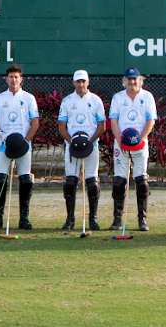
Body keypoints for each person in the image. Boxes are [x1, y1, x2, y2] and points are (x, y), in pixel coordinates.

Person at [0, 64, 40, 230]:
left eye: (16, 77)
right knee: (0, 180)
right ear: (6, 79)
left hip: (23, 147)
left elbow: (35, 122)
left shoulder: (29, 98)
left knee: (25, 180)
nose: (13, 80)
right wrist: (0, 133)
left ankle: (24, 218)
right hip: (4, 147)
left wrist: (26, 140)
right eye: (11, 77)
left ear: (21, 79)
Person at [107, 67, 157, 231]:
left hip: (140, 144)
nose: (132, 82)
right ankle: (117, 219)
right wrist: (120, 140)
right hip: (121, 144)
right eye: (129, 79)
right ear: (125, 81)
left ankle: (142, 219)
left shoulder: (147, 96)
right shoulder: (118, 97)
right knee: (119, 181)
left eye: (135, 79)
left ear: (140, 80)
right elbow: (114, 121)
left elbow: (151, 120)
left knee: (141, 181)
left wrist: (141, 139)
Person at [57, 69, 106, 231]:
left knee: (92, 182)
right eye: (78, 81)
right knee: (70, 182)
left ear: (88, 82)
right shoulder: (67, 101)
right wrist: (72, 143)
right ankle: (70, 219)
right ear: (73, 83)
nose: (81, 84)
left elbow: (101, 126)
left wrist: (89, 143)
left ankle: (93, 219)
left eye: (83, 81)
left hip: (91, 147)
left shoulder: (96, 100)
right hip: (72, 148)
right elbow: (62, 126)